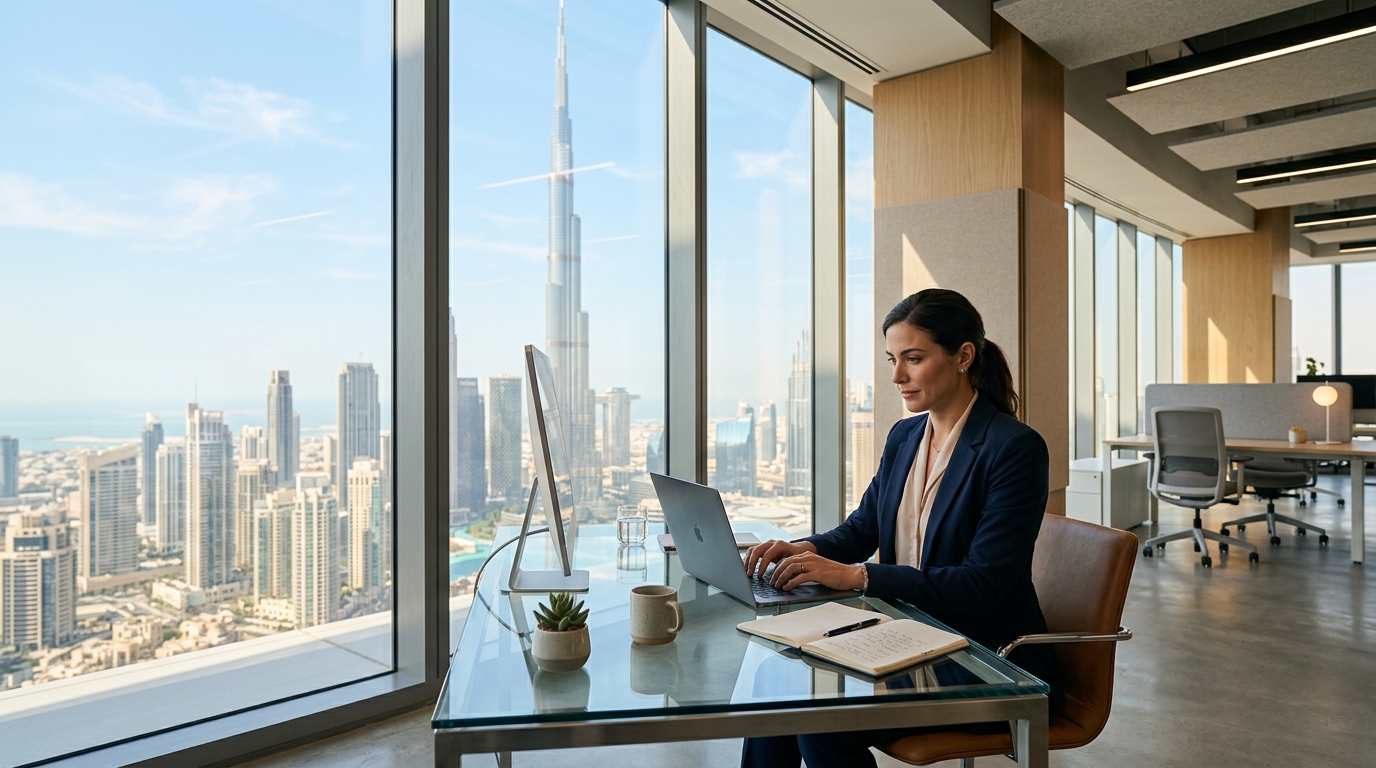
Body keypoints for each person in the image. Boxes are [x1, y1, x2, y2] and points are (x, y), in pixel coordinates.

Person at [740, 288, 1061, 768]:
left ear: (963, 357)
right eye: (893, 359)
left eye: (913, 358)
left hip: (982, 653)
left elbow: (983, 585)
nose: (896, 376)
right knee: (777, 686)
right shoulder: (905, 435)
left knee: (821, 716)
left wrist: (858, 577)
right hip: (903, 634)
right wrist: (800, 549)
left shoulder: (1013, 449)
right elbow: (862, 529)